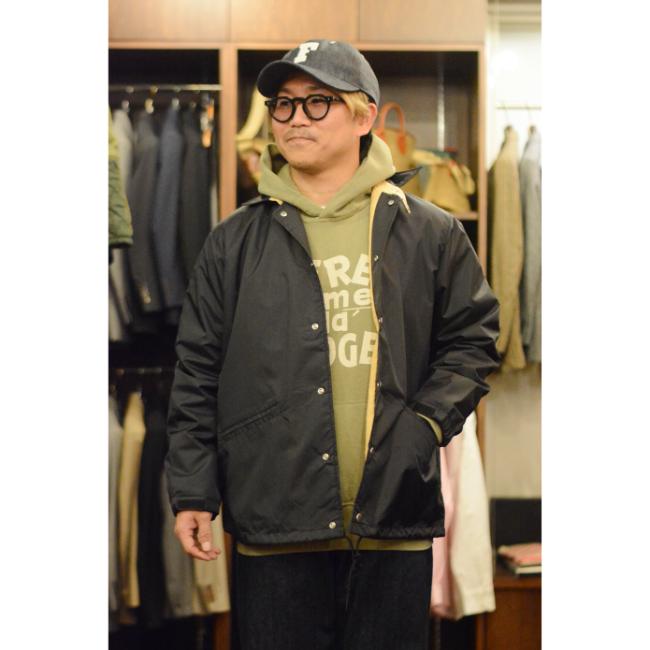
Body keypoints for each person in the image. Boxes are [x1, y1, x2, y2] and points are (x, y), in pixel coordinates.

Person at [165, 39, 500, 650]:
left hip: (393, 520)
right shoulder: (233, 242)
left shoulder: (430, 232)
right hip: (275, 521)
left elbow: (473, 341)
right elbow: (197, 371)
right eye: (283, 104)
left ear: (364, 116)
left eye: (317, 102)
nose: (295, 118)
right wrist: (192, 488)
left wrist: (424, 425)